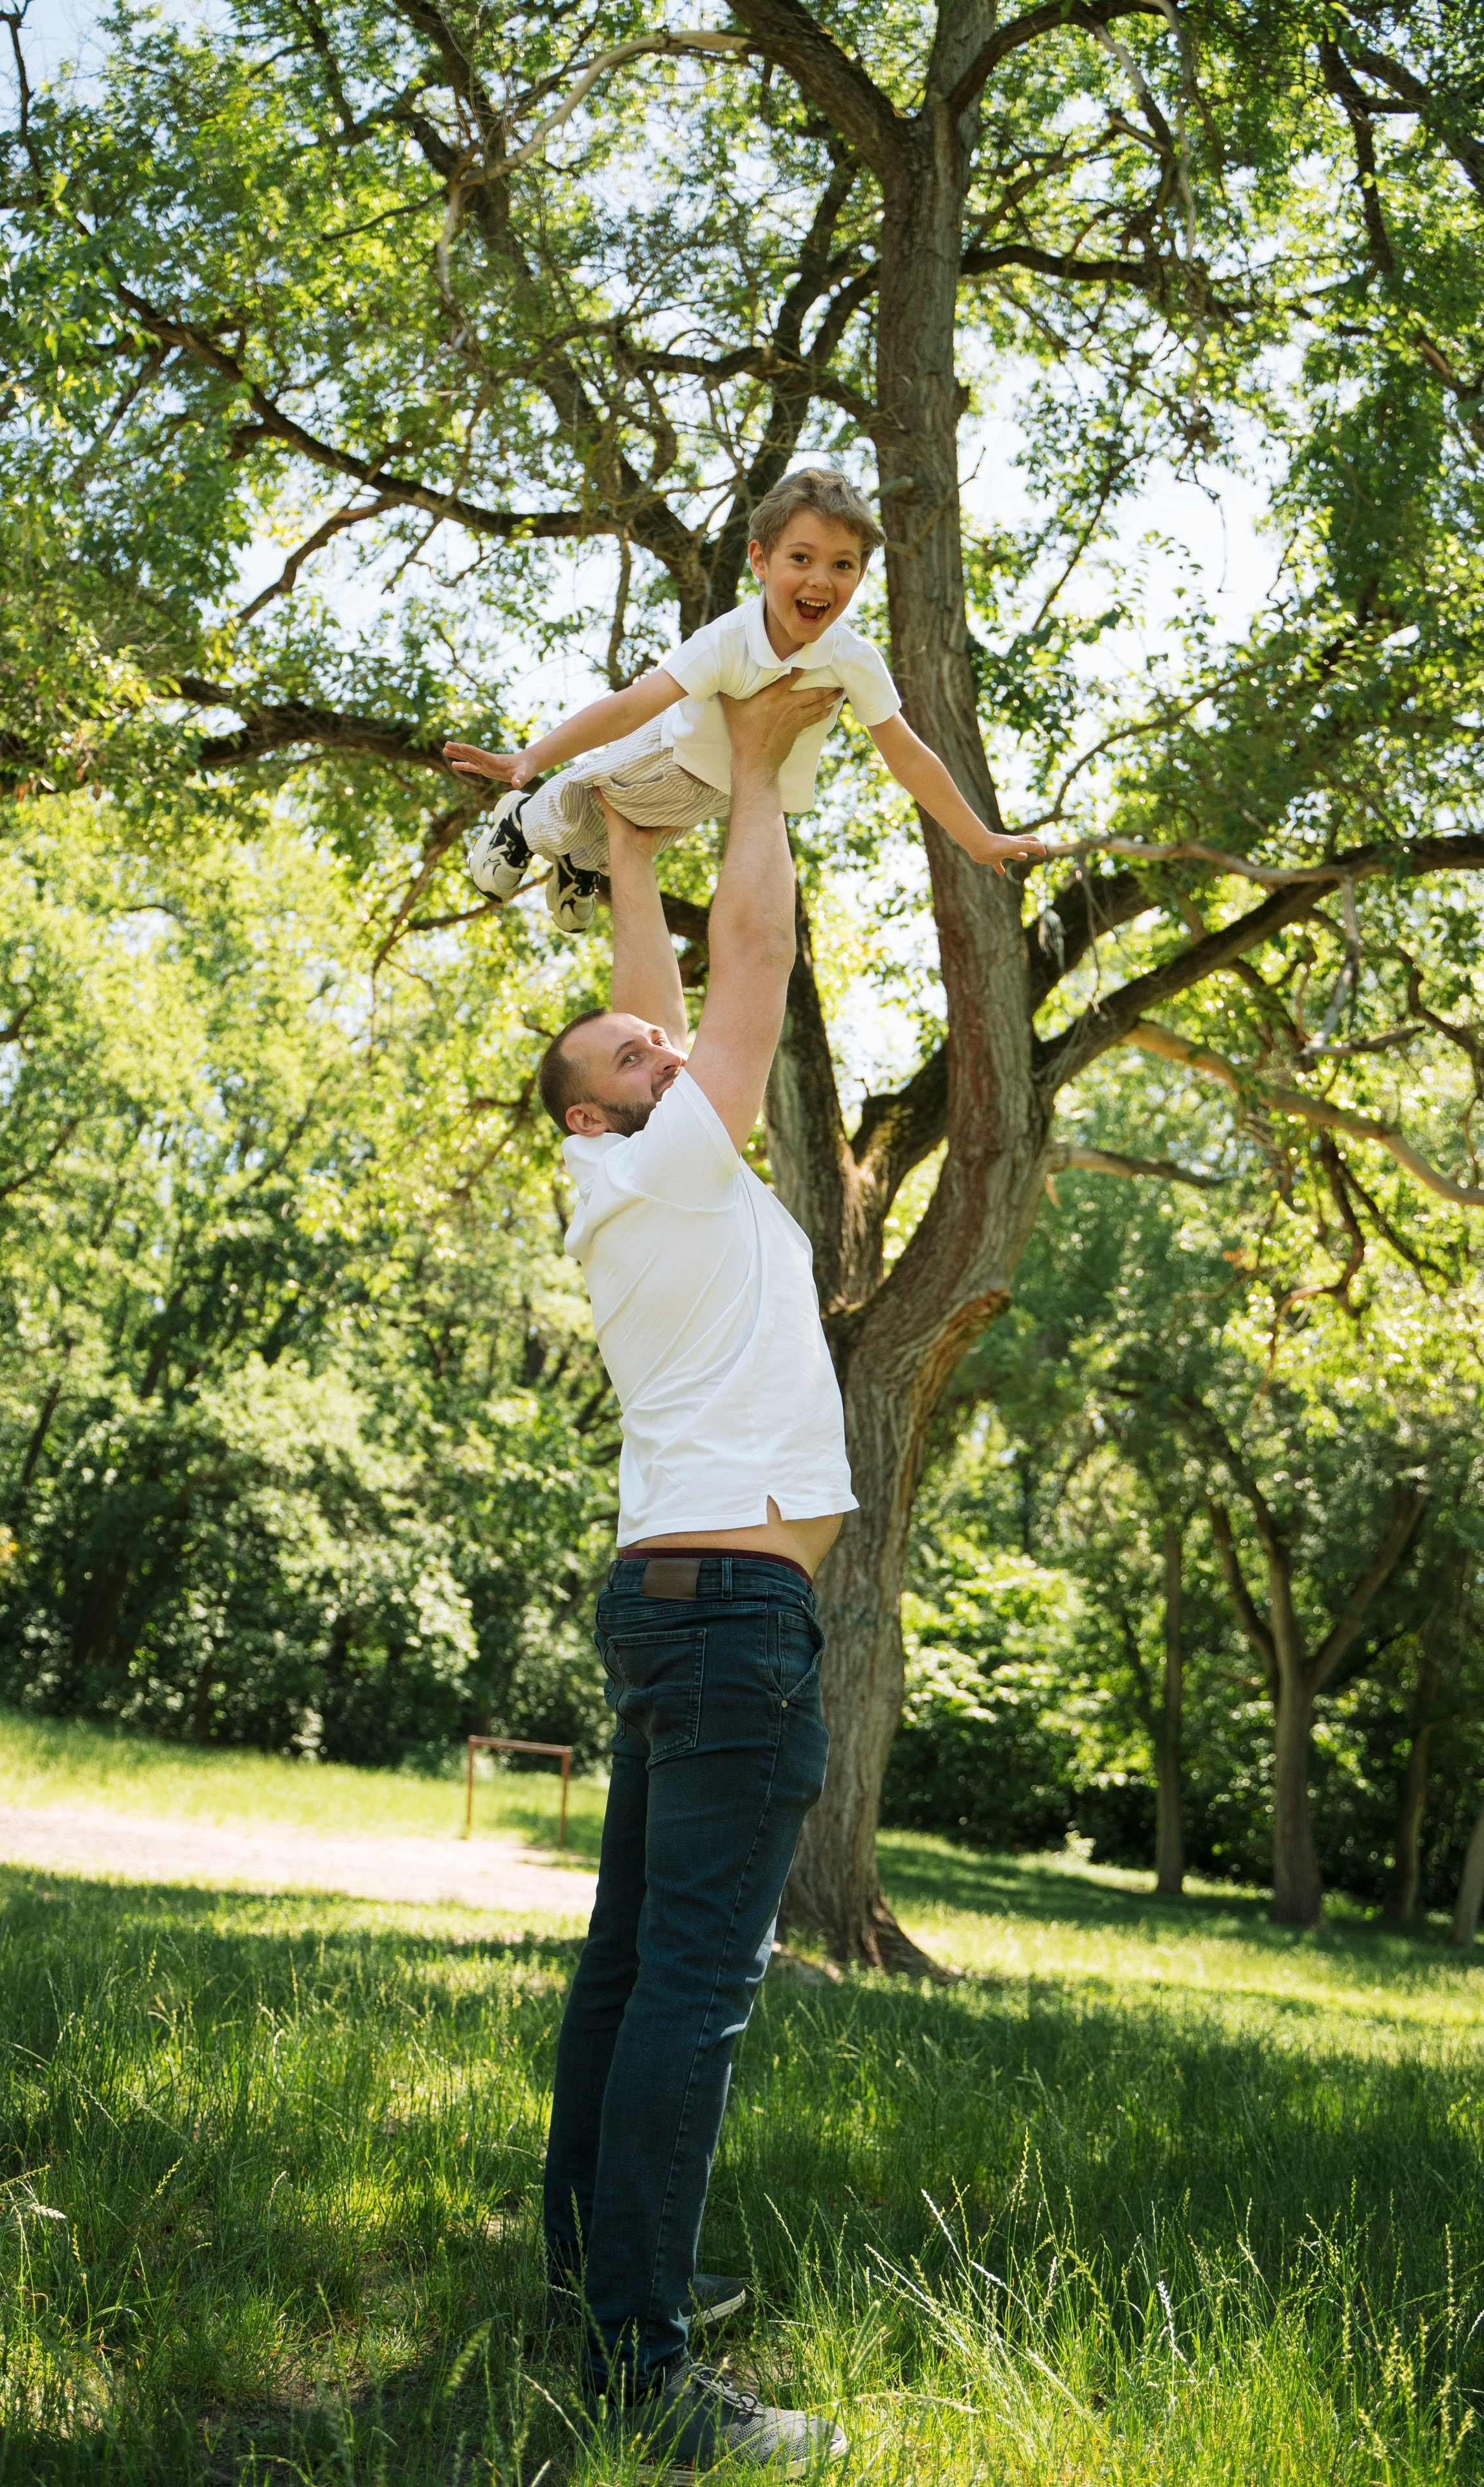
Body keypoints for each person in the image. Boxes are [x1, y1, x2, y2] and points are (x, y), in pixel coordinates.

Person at [537, 674, 859, 2477]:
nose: (663, 1053)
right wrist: (749, 777)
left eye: (648, 1052)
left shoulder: (646, 1176)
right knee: (688, 1992)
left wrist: (623, 847)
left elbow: (665, 1004)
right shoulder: (663, 1161)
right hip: (729, 1626)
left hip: (676, 1606)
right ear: (600, 1118)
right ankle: (647, 2374)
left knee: (622, 1976)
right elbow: (749, 975)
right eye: (628, 1060)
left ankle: (590, 2284)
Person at [444, 467, 1045, 931]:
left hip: (722, 787)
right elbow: (632, 706)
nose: (820, 580)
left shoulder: (852, 659)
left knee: (636, 838)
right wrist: (530, 759)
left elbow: (907, 756)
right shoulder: (728, 641)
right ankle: (521, 823)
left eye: (842, 565)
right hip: (660, 753)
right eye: (801, 558)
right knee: (578, 806)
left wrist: (975, 837)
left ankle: (583, 865)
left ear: (860, 576)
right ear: (759, 559)